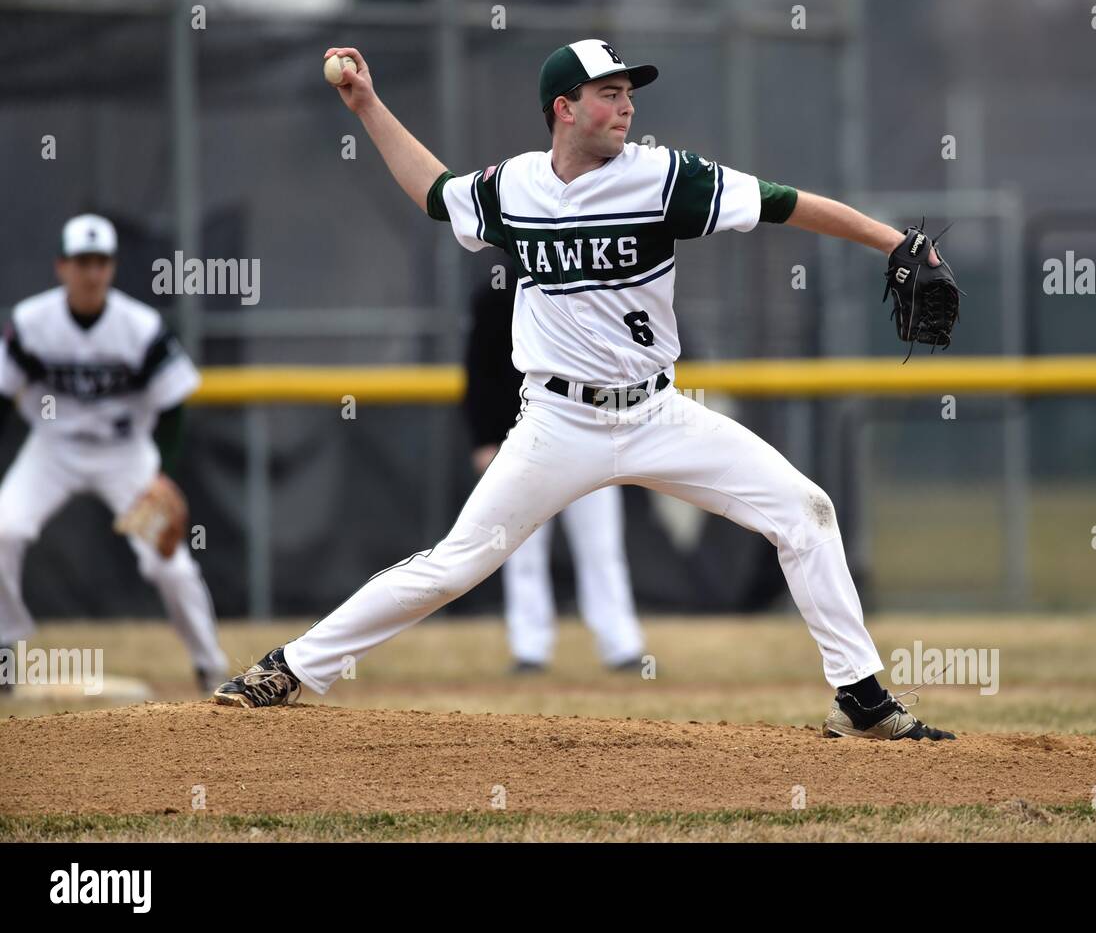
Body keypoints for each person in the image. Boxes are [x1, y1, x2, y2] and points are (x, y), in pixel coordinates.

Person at [214, 40, 953, 741]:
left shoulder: (665, 176)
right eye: (610, 93)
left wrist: (893, 243)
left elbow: (786, 203)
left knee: (806, 511)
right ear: (564, 108)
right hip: (556, 422)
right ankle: (289, 668)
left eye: (629, 92)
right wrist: (368, 105)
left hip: (661, 413)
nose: (627, 106)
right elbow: (437, 195)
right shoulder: (515, 187)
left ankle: (860, 697)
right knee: (453, 565)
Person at [0, 214, 227, 695]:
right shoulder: (30, 322)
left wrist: (162, 474)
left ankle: (211, 669)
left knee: (168, 565)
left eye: (100, 261)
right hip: (52, 451)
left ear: (112, 268)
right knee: (4, 529)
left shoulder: (140, 327)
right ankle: (4, 655)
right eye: (82, 261)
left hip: (126, 456)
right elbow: (4, 396)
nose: (91, 272)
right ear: (61, 266)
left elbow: (173, 406)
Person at [463, 261, 644, 673]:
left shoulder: (586, 277)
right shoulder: (498, 287)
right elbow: (479, 372)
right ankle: (530, 650)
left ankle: (622, 646)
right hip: (523, 440)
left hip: (592, 431)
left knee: (601, 546)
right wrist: (485, 440)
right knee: (521, 549)